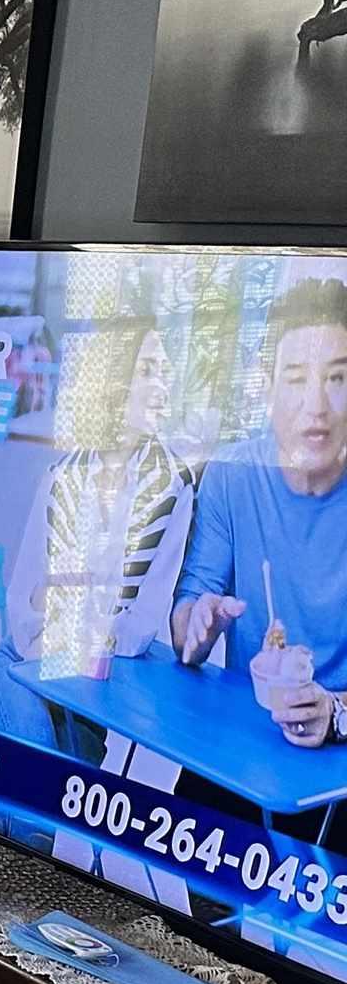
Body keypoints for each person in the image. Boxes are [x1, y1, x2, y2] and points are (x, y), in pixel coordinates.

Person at [0, 317, 192, 769]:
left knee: (22, 747)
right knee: (6, 670)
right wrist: (71, 610)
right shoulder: (61, 476)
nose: (162, 387)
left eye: (165, 372)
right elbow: (23, 604)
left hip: (96, 683)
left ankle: (22, 810)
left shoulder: (172, 487)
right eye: (147, 371)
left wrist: (68, 613)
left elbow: (139, 630)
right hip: (35, 657)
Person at [171, 277, 347, 749]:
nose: (316, 406)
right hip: (244, 744)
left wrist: (336, 713)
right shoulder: (232, 475)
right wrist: (199, 624)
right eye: (296, 379)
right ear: (267, 388)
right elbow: (188, 617)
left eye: (337, 379)